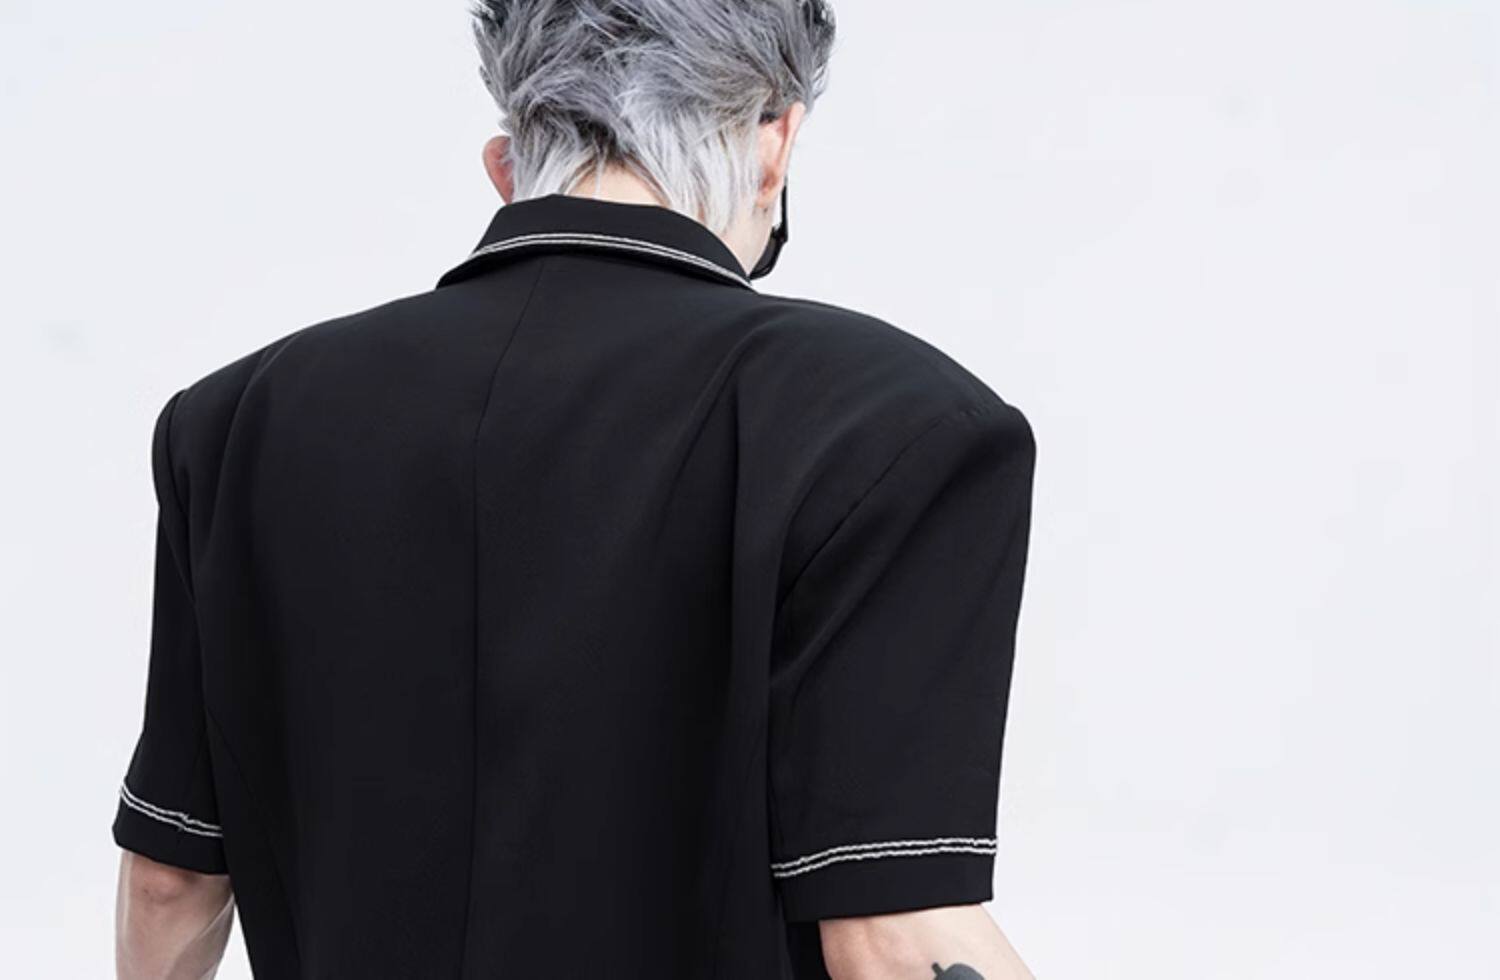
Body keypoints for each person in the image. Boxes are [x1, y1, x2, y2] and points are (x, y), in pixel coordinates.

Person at [111, 1, 1038, 977]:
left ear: (508, 163)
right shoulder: (894, 423)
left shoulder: (239, 419)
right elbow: (896, 934)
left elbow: (171, 879)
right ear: (775, 145)